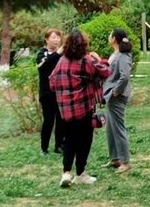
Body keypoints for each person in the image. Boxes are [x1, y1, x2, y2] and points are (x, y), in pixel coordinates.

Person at [49, 29, 111, 188]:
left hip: (66, 111)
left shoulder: (62, 61)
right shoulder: (86, 61)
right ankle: (80, 174)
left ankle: (66, 173)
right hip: (83, 108)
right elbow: (105, 72)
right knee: (84, 141)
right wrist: (100, 59)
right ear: (83, 45)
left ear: (67, 44)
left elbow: (52, 82)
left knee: (69, 140)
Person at [102, 28, 133, 174]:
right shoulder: (115, 54)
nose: (108, 37)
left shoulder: (123, 55)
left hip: (116, 97)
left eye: (109, 34)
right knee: (110, 128)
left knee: (118, 128)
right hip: (110, 95)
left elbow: (125, 76)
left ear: (114, 38)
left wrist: (116, 91)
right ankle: (115, 158)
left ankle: (125, 161)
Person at [37, 28, 65, 156]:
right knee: (48, 120)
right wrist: (58, 52)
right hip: (47, 93)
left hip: (61, 92)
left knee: (61, 120)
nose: (56, 40)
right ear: (46, 39)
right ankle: (44, 147)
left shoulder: (63, 55)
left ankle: (59, 145)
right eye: (53, 37)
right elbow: (44, 66)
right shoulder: (42, 54)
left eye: (58, 37)